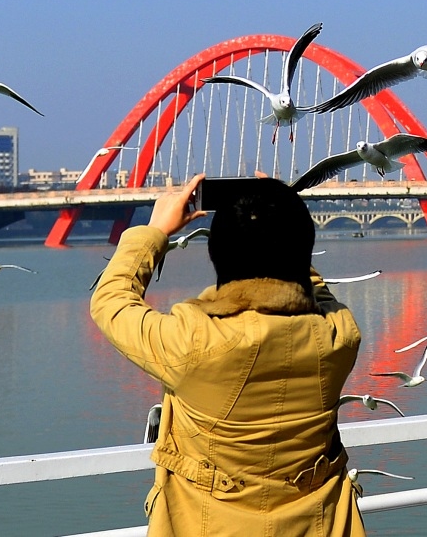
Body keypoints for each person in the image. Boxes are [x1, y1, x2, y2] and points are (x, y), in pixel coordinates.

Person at [91, 174, 366, 536]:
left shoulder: (193, 343)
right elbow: (312, 291)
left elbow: (111, 300)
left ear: (216, 255)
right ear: (301, 250)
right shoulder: (338, 334)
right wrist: (279, 213)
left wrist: (155, 230)